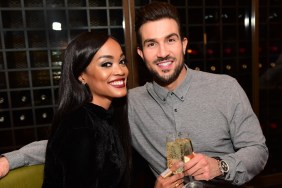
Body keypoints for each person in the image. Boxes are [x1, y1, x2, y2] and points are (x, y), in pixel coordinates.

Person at [0, 2, 268, 188]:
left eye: (170, 40)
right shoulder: (130, 103)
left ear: (184, 44)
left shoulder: (225, 87)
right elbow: (73, 143)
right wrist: (10, 159)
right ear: (141, 54)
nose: (162, 52)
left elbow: (258, 150)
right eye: (152, 44)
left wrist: (220, 166)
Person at [33, 32, 132, 187]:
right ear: (81, 75)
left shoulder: (106, 116)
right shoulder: (79, 126)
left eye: (122, 61)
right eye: (106, 64)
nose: (120, 71)